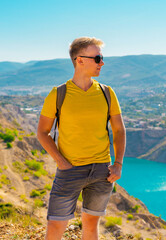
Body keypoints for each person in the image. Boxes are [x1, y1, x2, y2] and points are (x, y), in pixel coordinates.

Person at [37, 37, 126, 240]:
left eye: (101, 58)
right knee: (55, 226)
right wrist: (61, 161)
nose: (101, 63)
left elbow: (119, 130)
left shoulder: (107, 93)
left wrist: (118, 163)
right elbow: (42, 132)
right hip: (70, 170)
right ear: (80, 60)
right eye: (97, 58)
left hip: (102, 171)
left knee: (91, 225)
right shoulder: (59, 93)